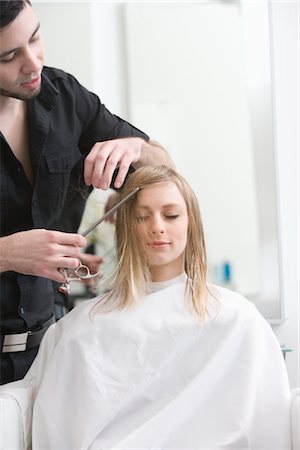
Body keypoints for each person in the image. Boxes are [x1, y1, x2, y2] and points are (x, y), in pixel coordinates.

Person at [0, 166, 291, 449]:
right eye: (142, 216)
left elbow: (268, 422)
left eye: (171, 215)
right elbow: (57, 428)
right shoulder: (83, 327)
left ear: (192, 222)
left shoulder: (237, 319)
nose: (157, 227)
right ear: (126, 226)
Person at [0, 0, 174, 384]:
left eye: (35, 38)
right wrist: (9, 253)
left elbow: (165, 170)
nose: (33, 64)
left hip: (51, 352)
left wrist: (135, 148)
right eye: (10, 56)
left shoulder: (64, 96)